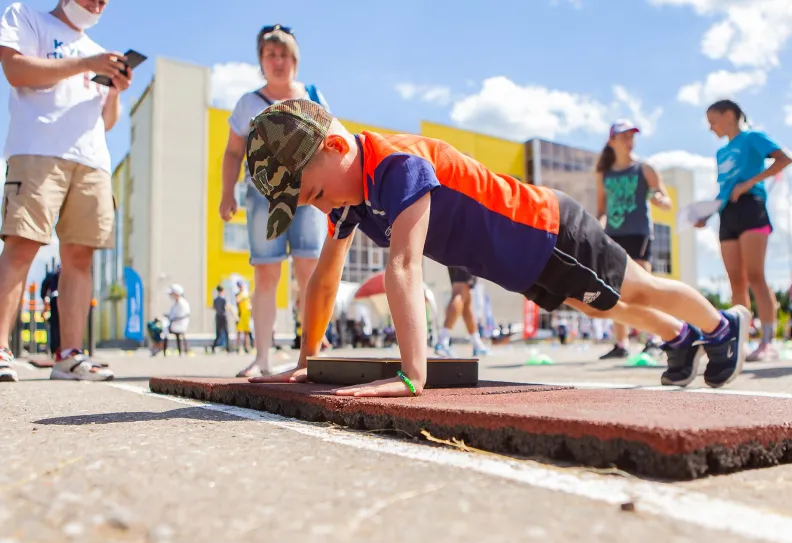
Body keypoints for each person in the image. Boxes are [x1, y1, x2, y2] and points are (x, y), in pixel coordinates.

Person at [241, 99, 751, 397]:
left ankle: (721, 325)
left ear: (334, 148)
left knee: (638, 287)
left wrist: (412, 375)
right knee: (593, 302)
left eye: (314, 194)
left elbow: (403, 265)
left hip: (550, 231)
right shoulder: (349, 198)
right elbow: (325, 279)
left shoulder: (398, 166)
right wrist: (312, 361)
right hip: (520, 262)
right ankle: (680, 336)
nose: (319, 207)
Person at [0, 0, 132, 383]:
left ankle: (69, 355)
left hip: (91, 159)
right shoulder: (25, 16)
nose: (97, 5)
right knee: (22, 243)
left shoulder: (97, 52)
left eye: (104, 1)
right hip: (38, 148)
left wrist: (116, 91)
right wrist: (87, 64)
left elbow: (107, 121)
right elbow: (16, 70)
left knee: (80, 255)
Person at [219, 24, 329, 378]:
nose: (278, 60)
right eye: (271, 54)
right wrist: (226, 193)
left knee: (309, 269)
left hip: (309, 195)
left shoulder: (312, 95)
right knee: (266, 273)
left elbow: (332, 143)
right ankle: (262, 357)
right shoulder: (248, 103)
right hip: (262, 194)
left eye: (284, 54)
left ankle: (313, 351)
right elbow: (234, 151)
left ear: (295, 60)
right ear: (261, 61)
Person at [696, 100, 792, 362]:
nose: (710, 128)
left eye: (712, 120)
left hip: (752, 207)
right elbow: (724, 189)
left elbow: (785, 159)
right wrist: (706, 213)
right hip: (727, 214)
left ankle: (768, 342)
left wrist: (750, 182)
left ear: (729, 115)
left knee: (755, 276)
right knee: (735, 281)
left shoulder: (752, 137)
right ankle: (742, 343)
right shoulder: (721, 153)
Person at [596, 120, 672, 361]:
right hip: (613, 235)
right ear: (612, 141)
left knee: (643, 288)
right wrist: (597, 228)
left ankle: (653, 339)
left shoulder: (644, 168)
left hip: (639, 233)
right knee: (614, 289)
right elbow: (601, 209)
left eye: (632, 136)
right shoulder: (604, 174)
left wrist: (659, 199)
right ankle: (621, 343)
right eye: (624, 136)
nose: (629, 140)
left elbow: (665, 200)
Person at [434, 268, 488, 357]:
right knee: (459, 292)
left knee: (465, 295)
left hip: (454, 255)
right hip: (465, 254)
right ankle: (442, 341)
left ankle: (477, 344)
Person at [164, 284, 190, 356]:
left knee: (166, 329)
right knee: (164, 327)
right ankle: (162, 349)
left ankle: (164, 349)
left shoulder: (182, 303)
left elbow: (179, 315)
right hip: (175, 322)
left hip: (179, 324)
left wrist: (170, 318)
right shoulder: (176, 302)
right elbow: (171, 313)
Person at [40, 265, 61, 355]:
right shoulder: (53, 275)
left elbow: (44, 287)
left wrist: (44, 297)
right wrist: (44, 297)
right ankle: (57, 348)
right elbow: (44, 287)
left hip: (57, 298)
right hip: (57, 299)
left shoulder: (53, 275)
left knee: (55, 325)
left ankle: (58, 348)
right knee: (56, 324)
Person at [211, 285, 230, 353]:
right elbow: (226, 307)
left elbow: (213, 307)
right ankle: (228, 348)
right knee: (226, 332)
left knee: (218, 333)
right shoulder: (224, 299)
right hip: (223, 316)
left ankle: (213, 346)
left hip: (218, 316)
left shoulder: (215, 299)